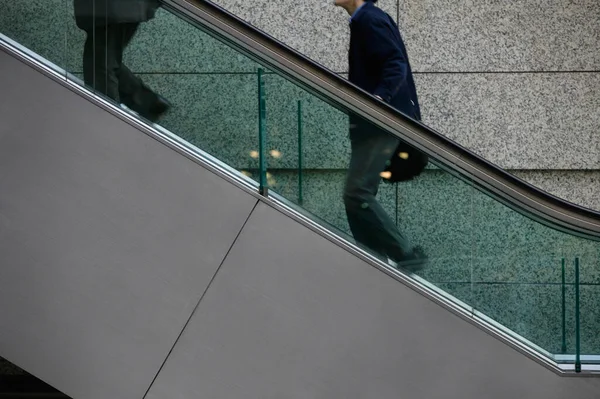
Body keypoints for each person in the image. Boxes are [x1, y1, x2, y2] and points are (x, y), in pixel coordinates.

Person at [334, 0, 427, 271]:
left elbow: (395, 63)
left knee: (357, 192)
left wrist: (378, 99)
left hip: (379, 123)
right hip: (372, 122)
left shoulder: (370, 19)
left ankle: (405, 253)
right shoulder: (363, 21)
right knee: (357, 195)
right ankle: (373, 261)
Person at [74, 0, 170, 122]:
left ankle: (107, 122)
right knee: (101, 59)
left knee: (100, 64)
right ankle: (148, 103)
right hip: (120, 6)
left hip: (117, 5)